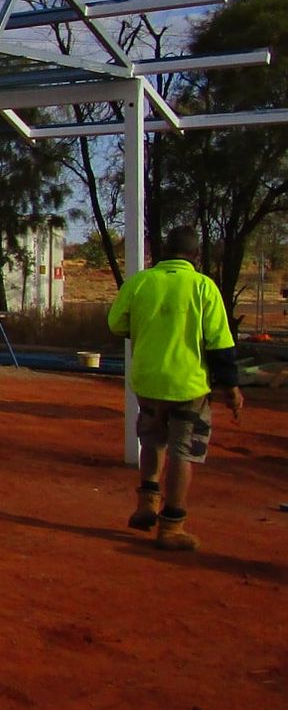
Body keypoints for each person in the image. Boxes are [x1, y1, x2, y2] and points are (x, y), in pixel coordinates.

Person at [106, 226, 243, 552]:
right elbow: (220, 344)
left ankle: (147, 502)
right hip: (189, 385)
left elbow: (116, 323)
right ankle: (172, 525)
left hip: (148, 382)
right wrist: (231, 387)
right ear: (196, 256)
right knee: (183, 451)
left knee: (152, 440)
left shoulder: (140, 283)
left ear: (162, 252)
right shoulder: (202, 287)